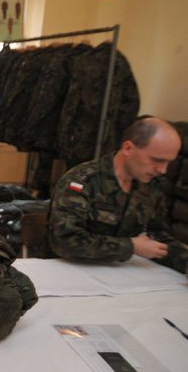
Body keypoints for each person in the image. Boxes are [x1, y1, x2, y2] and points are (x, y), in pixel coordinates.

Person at [49, 117, 188, 273]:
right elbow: (65, 242)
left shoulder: (151, 185)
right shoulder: (83, 180)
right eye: (157, 160)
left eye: (169, 162)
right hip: (70, 270)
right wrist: (131, 246)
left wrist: (185, 261)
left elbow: (158, 236)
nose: (163, 170)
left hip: (119, 271)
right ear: (128, 148)